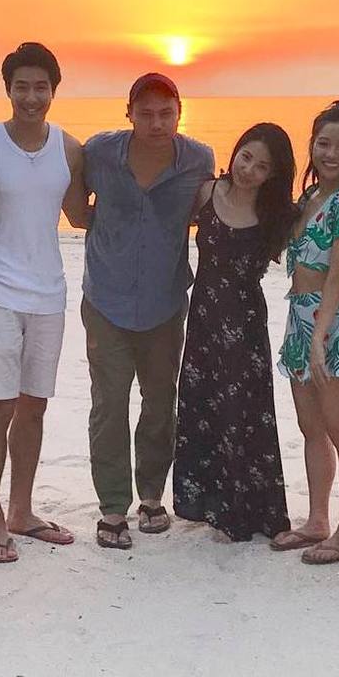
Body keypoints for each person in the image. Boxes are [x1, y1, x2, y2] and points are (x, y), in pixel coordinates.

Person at [82, 73, 215, 549]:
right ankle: (113, 507)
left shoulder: (198, 160)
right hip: (105, 298)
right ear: (129, 113)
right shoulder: (100, 152)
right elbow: (75, 204)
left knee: (160, 401)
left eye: (166, 113)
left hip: (164, 300)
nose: (156, 122)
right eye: (146, 113)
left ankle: (152, 497)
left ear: (180, 113)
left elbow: (213, 213)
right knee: (109, 403)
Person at [0, 42, 89, 563]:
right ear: (8, 89)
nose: (32, 96)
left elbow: (82, 217)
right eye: (22, 86)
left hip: (49, 292)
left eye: (41, 87)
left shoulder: (70, 149)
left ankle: (22, 510)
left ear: (54, 91)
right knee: (0, 407)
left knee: (34, 407)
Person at [172, 123, 296, 542]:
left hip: (244, 325)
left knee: (244, 415)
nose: (248, 169)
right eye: (246, 156)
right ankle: (208, 504)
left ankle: (249, 512)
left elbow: (316, 245)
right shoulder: (206, 192)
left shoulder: (276, 214)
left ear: (272, 175)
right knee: (202, 408)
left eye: (262, 166)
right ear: (235, 151)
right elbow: (164, 224)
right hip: (204, 319)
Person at [274, 101, 339, 565]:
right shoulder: (310, 197)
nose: (331, 153)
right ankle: (317, 519)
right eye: (324, 143)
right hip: (299, 314)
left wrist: (320, 333)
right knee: (310, 427)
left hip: (332, 323)